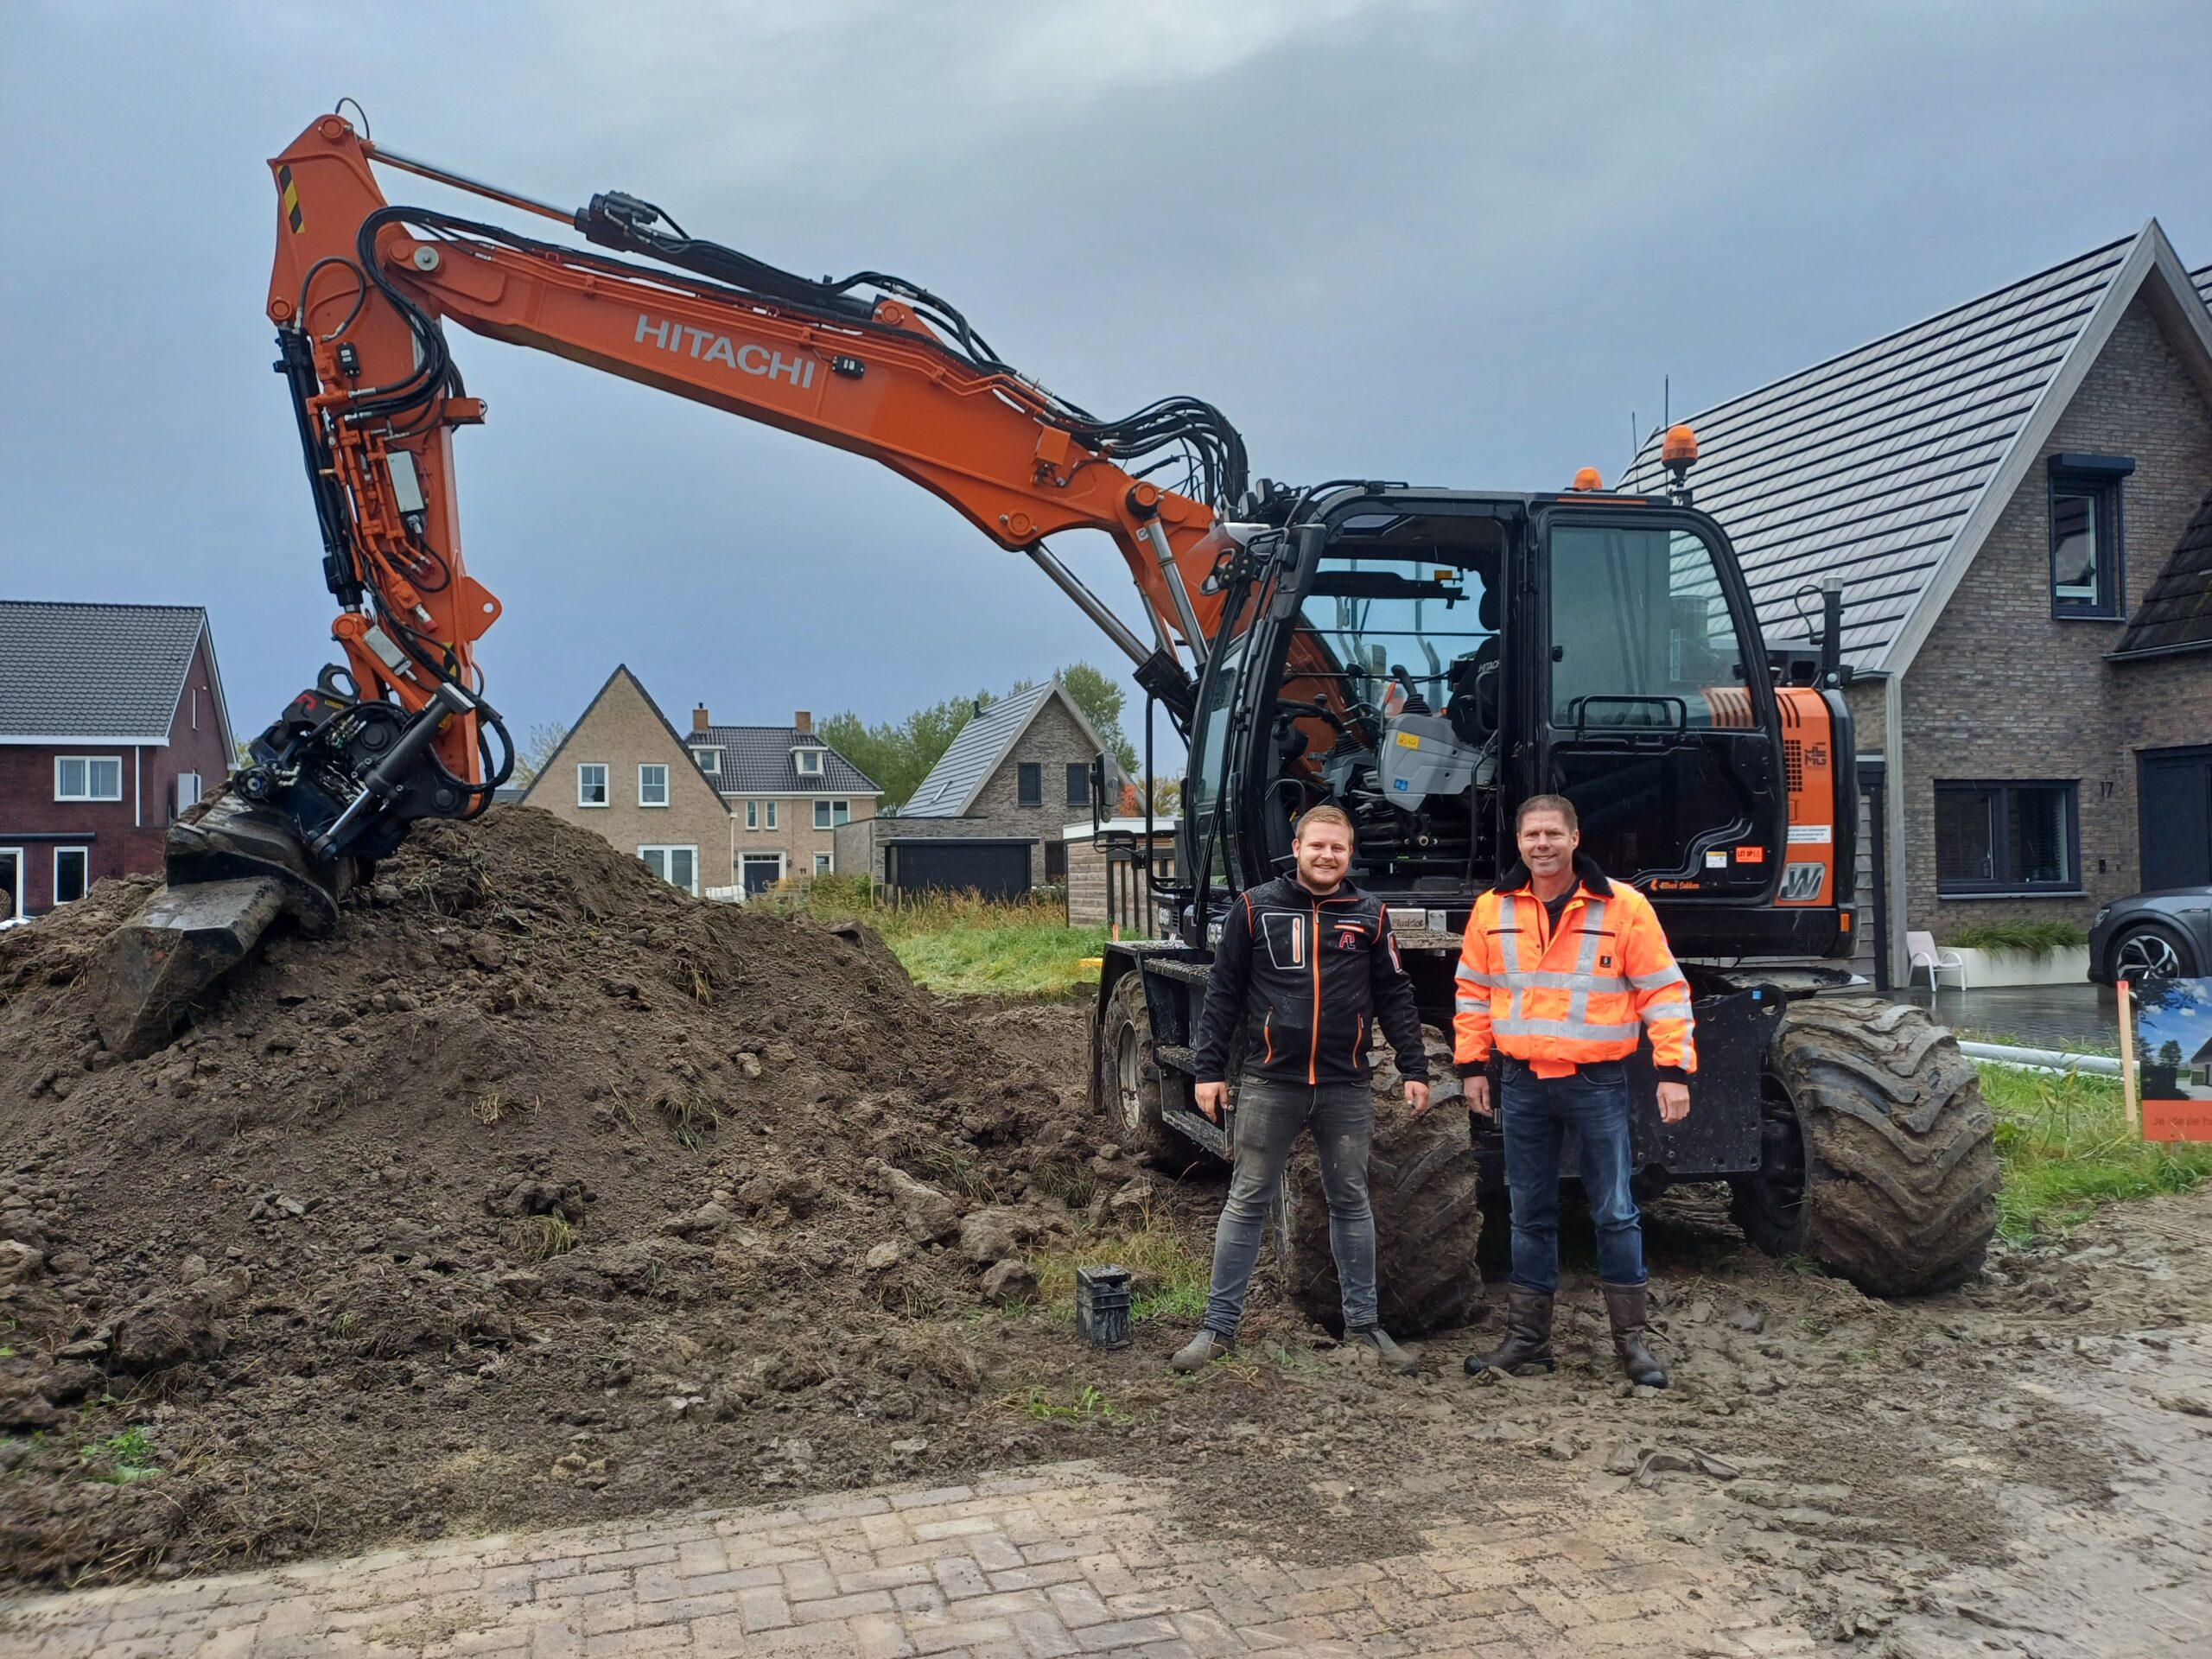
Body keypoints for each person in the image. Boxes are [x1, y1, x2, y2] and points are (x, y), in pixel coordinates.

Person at [1172, 804, 1431, 1375]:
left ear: (1350, 852)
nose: (1327, 855)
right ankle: (1217, 1330)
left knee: (1352, 1201)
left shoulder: (1369, 915)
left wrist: (1415, 1067)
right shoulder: (1255, 908)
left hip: (1346, 1085)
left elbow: (1395, 995)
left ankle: (1364, 1329)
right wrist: (1208, 1070)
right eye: (1317, 846)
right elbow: (1222, 994)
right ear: (1297, 846)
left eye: (1338, 848)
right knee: (1247, 1200)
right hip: (1271, 1081)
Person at [1453, 795, 1694, 1388]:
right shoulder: (1493, 908)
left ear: (1574, 837)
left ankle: (1632, 1344)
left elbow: (1663, 990)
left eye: (1552, 834)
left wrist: (1673, 1069)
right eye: (1532, 834)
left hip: (1596, 1084)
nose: (1542, 844)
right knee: (1528, 1213)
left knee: (1614, 1209)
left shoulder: (1623, 906)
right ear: (1519, 841)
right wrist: (1472, 1066)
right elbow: (1472, 992)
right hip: (1522, 1081)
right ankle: (1528, 1341)